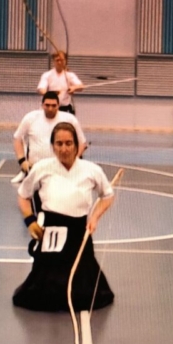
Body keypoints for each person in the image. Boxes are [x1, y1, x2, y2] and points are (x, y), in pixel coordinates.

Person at [13, 122, 115, 312]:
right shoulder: (42, 168)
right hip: (51, 230)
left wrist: (94, 218)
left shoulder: (91, 170)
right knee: (43, 292)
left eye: (68, 143)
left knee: (83, 292)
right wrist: (29, 220)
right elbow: (23, 195)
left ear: (76, 145)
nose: (64, 148)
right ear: (52, 146)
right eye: (59, 144)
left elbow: (107, 196)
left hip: (78, 230)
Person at [11, 91, 86, 185]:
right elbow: (17, 139)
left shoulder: (70, 119)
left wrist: (73, 161)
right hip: (35, 170)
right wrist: (22, 161)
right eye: (47, 105)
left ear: (58, 105)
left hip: (61, 171)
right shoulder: (30, 118)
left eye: (54, 105)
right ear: (42, 105)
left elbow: (82, 143)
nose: (50, 108)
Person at [37, 50, 83, 115]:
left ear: (65, 61)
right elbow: (41, 89)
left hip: (64, 108)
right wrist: (49, 94)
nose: (59, 62)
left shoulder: (70, 75)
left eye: (61, 60)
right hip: (50, 107)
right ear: (53, 61)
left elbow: (81, 86)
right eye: (57, 60)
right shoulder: (47, 75)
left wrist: (74, 88)